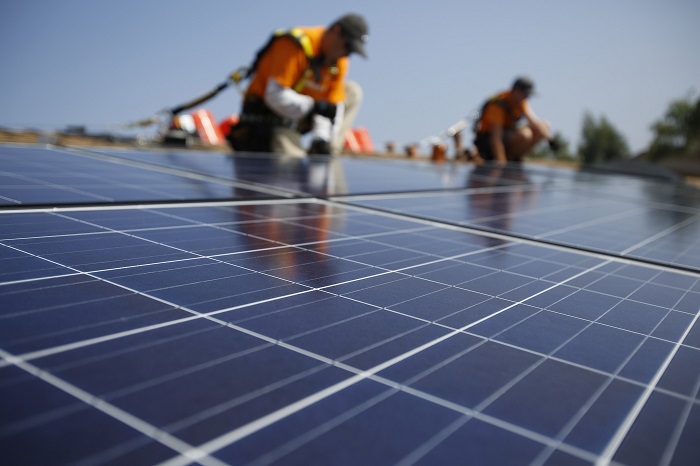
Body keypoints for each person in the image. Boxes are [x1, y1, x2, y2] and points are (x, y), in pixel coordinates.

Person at [227, 14, 368, 156]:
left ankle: (329, 152)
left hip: (300, 117)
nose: (347, 55)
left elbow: (330, 108)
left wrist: (322, 138)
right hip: (269, 119)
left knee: (352, 92)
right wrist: (313, 107)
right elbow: (274, 96)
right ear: (336, 31)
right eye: (348, 46)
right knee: (294, 168)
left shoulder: (339, 61)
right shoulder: (293, 44)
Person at [465, 76, 558, 164]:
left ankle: (515, 157)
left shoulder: (521, 103)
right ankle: (508, 158)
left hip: (507, 135)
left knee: (544, 125)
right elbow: (495, 138)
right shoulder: (498, 104)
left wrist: (550, 141)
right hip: (488, 141)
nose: (527, 98)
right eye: (526, 95)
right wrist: (501, 163)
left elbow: (534, 122)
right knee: (525, 135)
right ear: (516, 91)